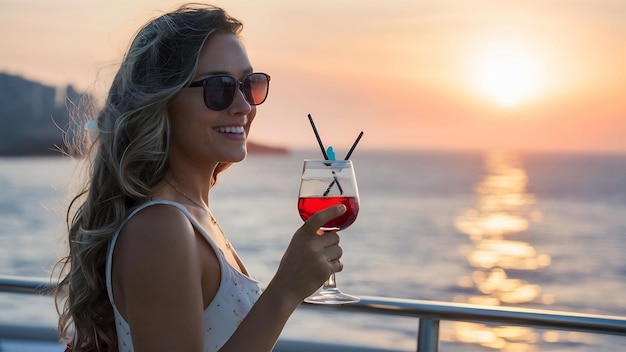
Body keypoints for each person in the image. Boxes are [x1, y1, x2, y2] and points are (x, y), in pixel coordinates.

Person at [54, 3, 347, 351]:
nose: (243, 105)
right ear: (163, 101)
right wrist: (284, 291)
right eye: (220, 88)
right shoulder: (161, 228)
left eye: (249, 84)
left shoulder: (191, 216)